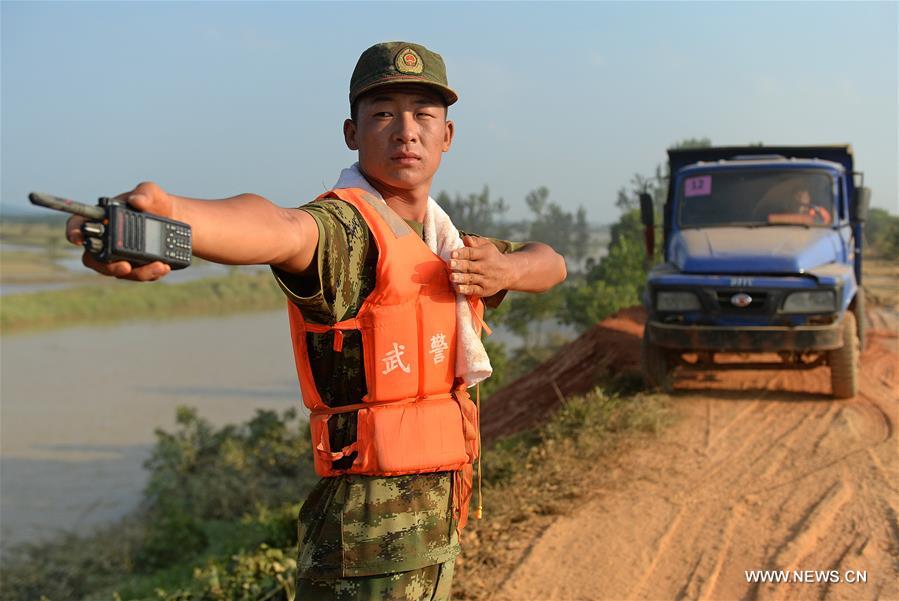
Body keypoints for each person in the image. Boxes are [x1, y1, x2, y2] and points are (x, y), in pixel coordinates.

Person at [65, 41, 567, 600]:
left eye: (424, 114)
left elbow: (552, 263)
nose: (406, 131)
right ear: (352, 133)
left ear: (446, 137)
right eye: (383, 114)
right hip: (362, 545)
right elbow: (279, 228)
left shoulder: (449, 246)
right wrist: (176, 216)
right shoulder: (346, 234)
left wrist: (506, 268)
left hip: (436, 529)